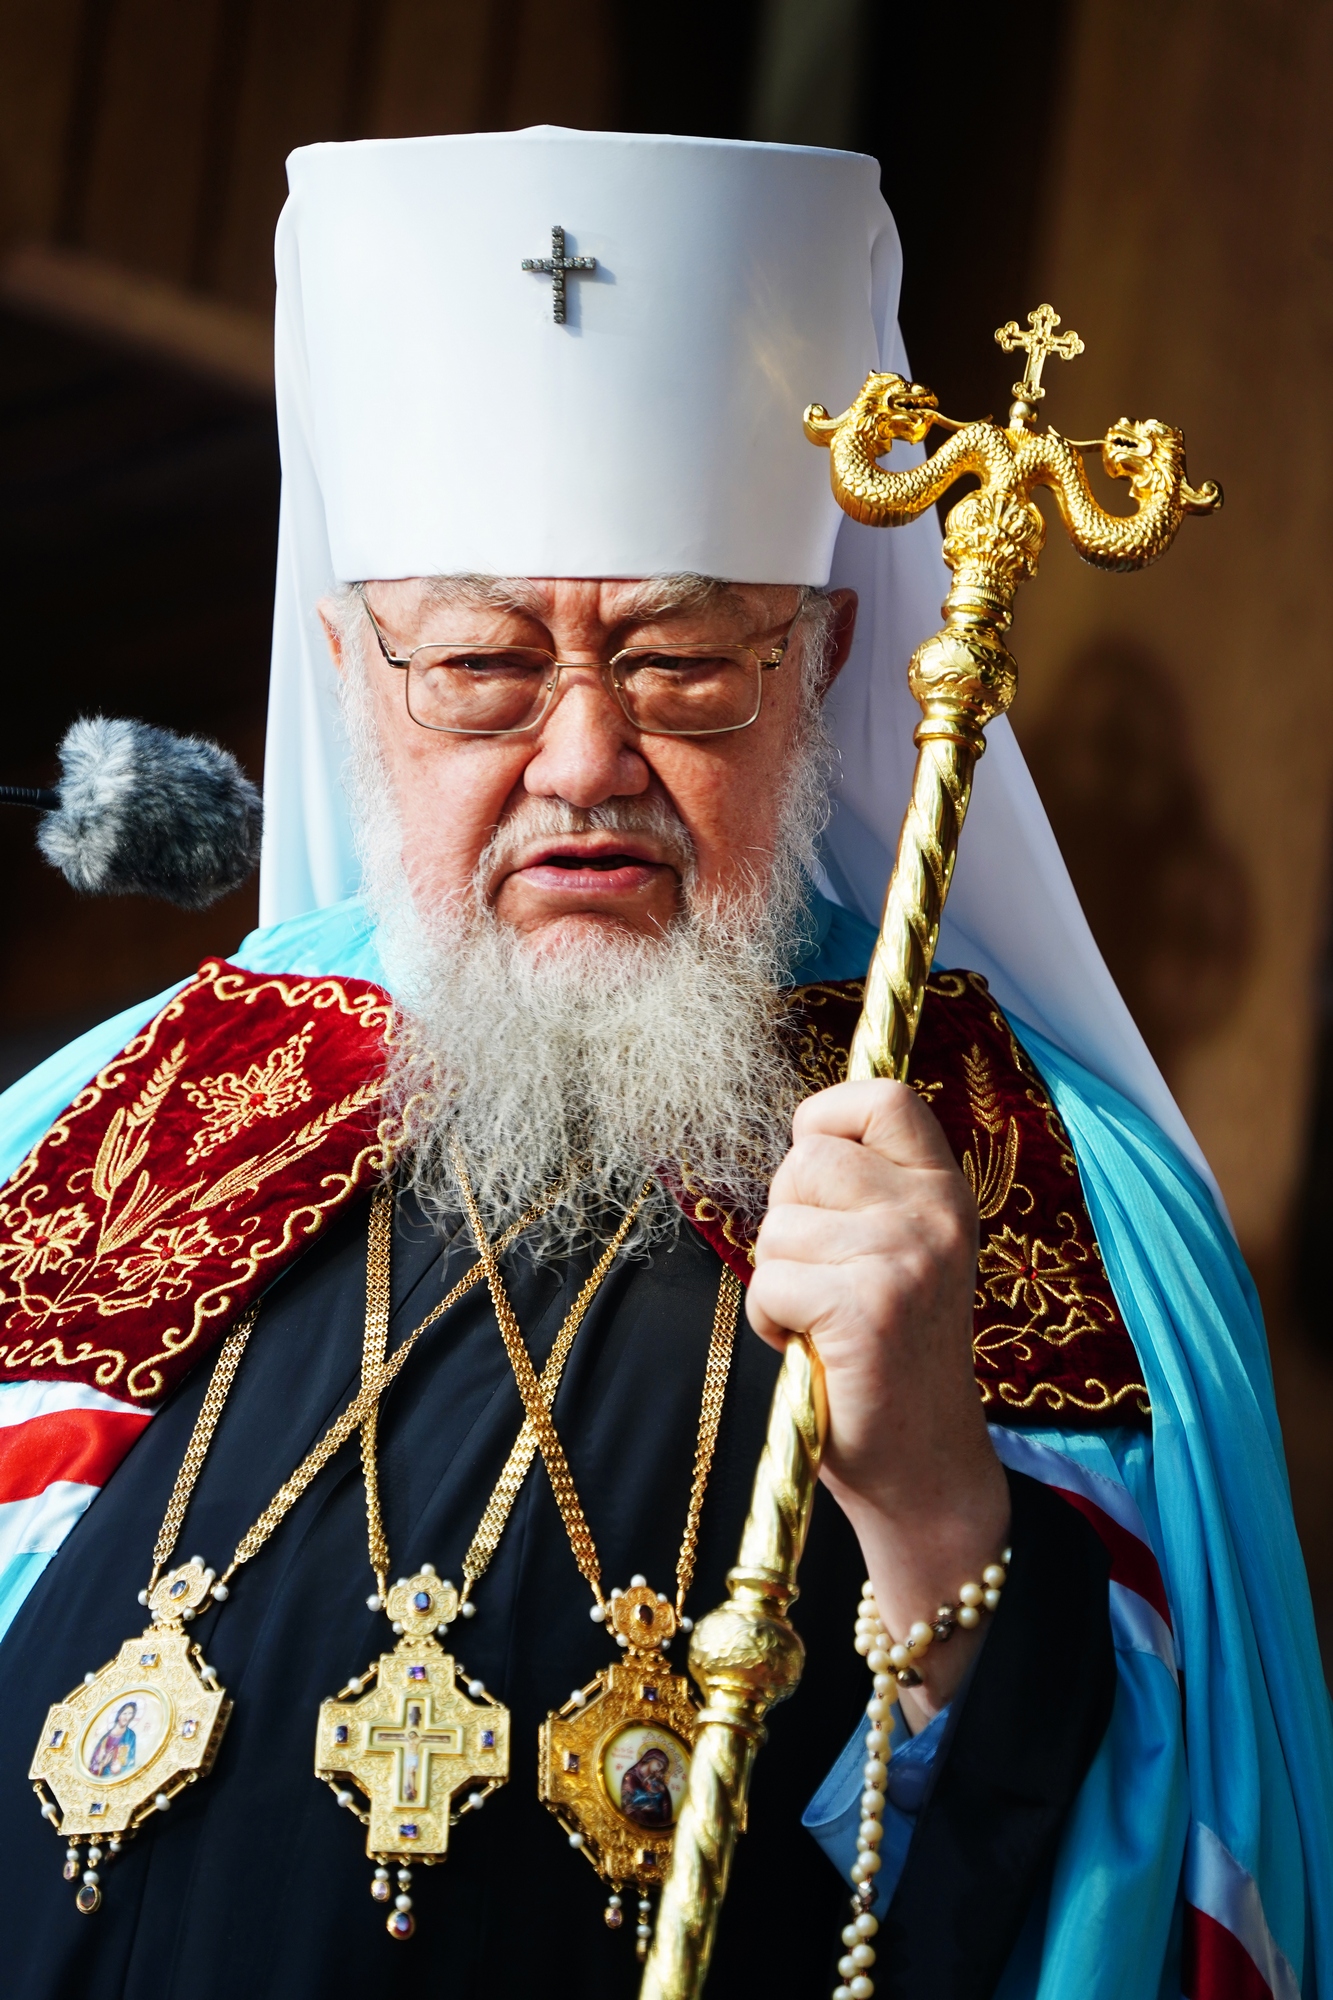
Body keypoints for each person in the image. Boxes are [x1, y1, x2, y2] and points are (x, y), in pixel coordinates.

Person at [0, 126, 1327, 2000]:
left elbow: (1165, 1865)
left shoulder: (1044, 1192)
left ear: (828, 658)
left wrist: (941, 1511)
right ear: (350, 674)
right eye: (475, 665)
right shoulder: (110, 1129)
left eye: (685, 663)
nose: (581, 758)